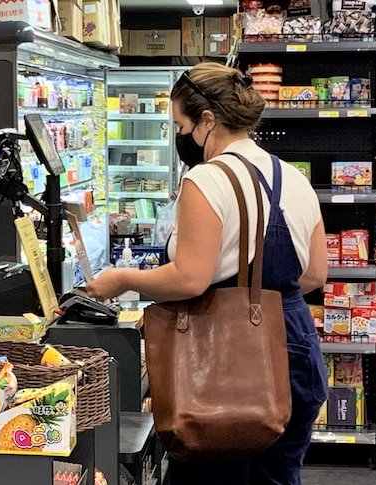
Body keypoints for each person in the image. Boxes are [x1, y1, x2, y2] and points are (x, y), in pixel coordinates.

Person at [86, 62, 329, 485]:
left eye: (180, 126)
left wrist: (122, 279)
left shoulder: (206, 179)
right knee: (278, 476)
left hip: (221, 359)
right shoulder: (293, 178)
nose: (180, 137)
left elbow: (190, 279)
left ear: (208, 121)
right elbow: (314, 275)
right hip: (293, 347)